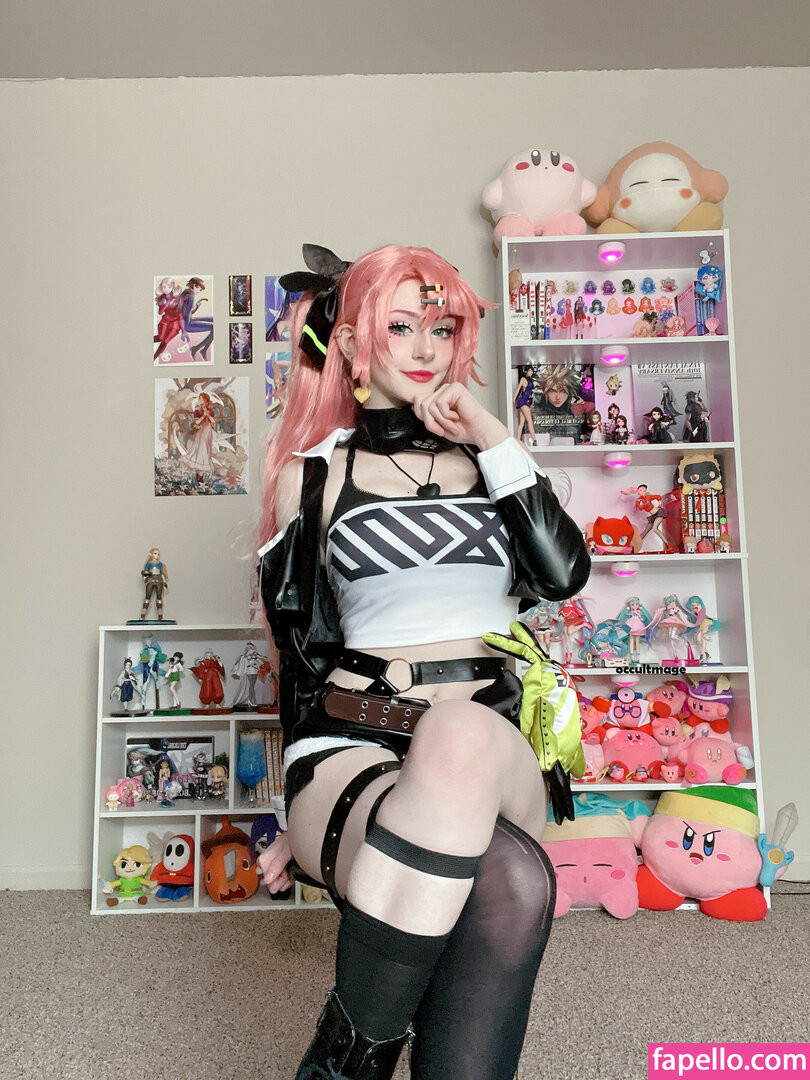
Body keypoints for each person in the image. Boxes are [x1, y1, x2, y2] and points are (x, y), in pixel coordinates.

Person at [255, 244, 590, 1080]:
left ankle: (338, 1068)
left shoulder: (496, 466)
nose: (424, 348)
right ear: (352, 343)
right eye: (399, 326)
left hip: (489, 745)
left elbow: (562, 574)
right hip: (351, 746)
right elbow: (300, 657)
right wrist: (289, 810)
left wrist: (491, 434)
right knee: (507, 882)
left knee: (459, 735)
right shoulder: (313, 478)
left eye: (441, 329)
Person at [512, 364, 536, 444]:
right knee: (529, 421)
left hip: (525, 401)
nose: (531, 372)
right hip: (522, 401)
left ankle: (518, 440)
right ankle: (534, 440)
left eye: (532, 371)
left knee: (521, 423)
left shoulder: (529, 380)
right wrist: (514, 399)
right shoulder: (523, 379)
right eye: (529, 371)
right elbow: (518, 389)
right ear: (526, 371)